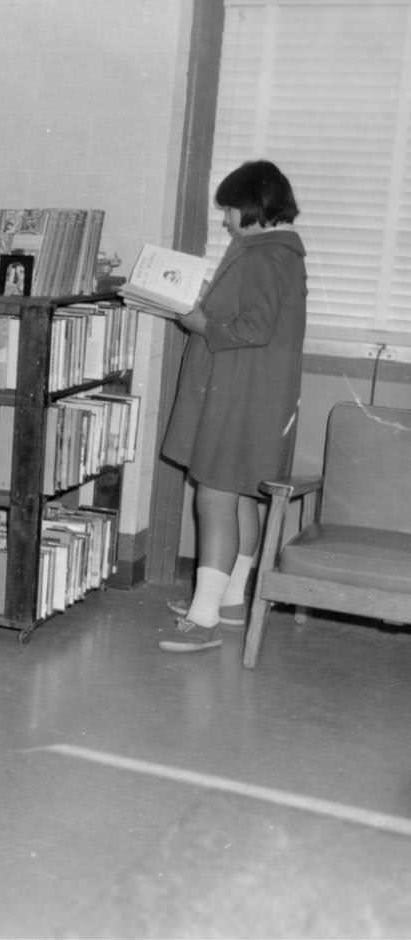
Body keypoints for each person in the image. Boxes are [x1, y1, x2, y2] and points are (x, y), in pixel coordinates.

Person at [157, 160, 306, 653]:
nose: (225, 220)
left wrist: (200, 322)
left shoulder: (263, 254)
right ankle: (231, 602)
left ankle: (204, 620)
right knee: (242, 495)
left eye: (230, 210)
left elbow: (253, 328)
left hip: (240, 391)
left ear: (254, 207)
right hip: (257, 392)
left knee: (215, 496)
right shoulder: (278, 251)